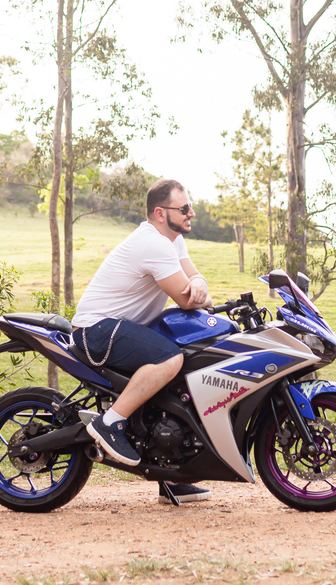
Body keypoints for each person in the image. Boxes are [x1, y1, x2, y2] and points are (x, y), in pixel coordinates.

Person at [73, 178, 214, 505]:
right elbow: (187, 298)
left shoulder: (173, 240)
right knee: (170, 359)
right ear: (161, 213)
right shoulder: (154, 244)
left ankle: (170, 473)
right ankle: (110, 423)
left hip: (119, 327)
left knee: (179, 373)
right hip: (98, 329)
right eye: (185, 208)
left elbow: (195, 279)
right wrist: (198, 293)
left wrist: (200, 284)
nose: (191, 213)